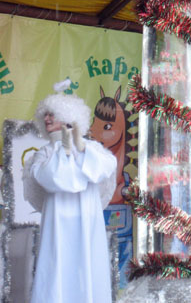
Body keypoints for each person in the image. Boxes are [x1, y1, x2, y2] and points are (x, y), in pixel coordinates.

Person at [23, 84, 117, 303]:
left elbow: (105, 167)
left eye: (52, 114)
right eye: (44, 115)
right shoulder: (44, 153)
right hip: (57, 224)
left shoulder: (92, 149)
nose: (46, 119)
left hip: (87, 222)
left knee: (88, 271)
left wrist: (80, 147)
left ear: (68, 116)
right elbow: (52, 179)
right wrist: (63, 152)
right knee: (57, 271)